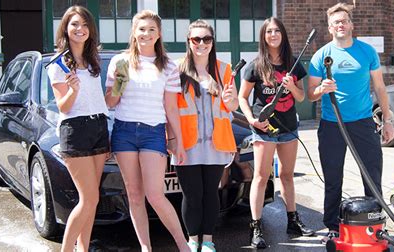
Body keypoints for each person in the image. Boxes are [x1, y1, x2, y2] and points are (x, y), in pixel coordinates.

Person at [307, 2, 394, 244]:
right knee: (333, 177)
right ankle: (333, 227)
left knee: (372, 174)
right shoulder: (321, 55)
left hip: (363, 122)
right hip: (331, 124)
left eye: (344, 21)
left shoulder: (367, 52)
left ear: (351, 25)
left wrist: (387, 120)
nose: (341, 25)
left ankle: (375, 223)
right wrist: (321, 89)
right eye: (336, 22)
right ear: (330, 27)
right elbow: (310, 93)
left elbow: (379, 87)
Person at [104, 10, 189, 252]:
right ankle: (145, 247)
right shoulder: (119, 62)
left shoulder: (169, 66)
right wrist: (120, 82)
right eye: (141, 29)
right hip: (124, 132)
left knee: (155, 194)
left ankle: (183, 246)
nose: (146, 34)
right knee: (134, 194)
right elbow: (110, 102)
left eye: (151, 29)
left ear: (159, 34)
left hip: (153, 133)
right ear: (134, 32)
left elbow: (171, 108)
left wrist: (178, 142)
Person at [238, 17, 314, 249]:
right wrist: (251, 119)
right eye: (269, 31)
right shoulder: (255, 65)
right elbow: (242, 97)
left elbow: (301, 97)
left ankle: (292, 221)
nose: (273, 34)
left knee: (287, 176)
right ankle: (256, 226)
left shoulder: (293, 64)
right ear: (264, 36)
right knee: (260, 177)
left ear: (283, 35)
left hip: (288, 127)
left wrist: (292, 87)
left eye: (277, 31)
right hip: (265, 128)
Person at [170, 19, 238, 252]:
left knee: (211, 193)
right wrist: (173, 142)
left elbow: (233, 103)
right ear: (189, 42)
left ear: (212, 42)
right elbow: (169, 109)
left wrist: (231, 101)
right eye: (196, 39)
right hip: (186, 144)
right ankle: (192, 239)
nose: (201, 43)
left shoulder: (224, 69)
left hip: (216, 144)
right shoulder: (176, 70)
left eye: (206, 39)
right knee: (191, 194)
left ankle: (208, 240)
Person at [47, 6, 109, 252]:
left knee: (92, 201)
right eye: (74, 24)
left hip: (99, 126)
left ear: (90, 30)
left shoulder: (93, 60)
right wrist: (72, 89)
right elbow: (63, 105)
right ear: (65, 28)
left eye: (84, 25)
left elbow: (98, 98)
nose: (80, 29)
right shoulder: (59, 64)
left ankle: (83, 249)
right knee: (89, 198)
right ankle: (67, 249)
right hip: (75, 129)